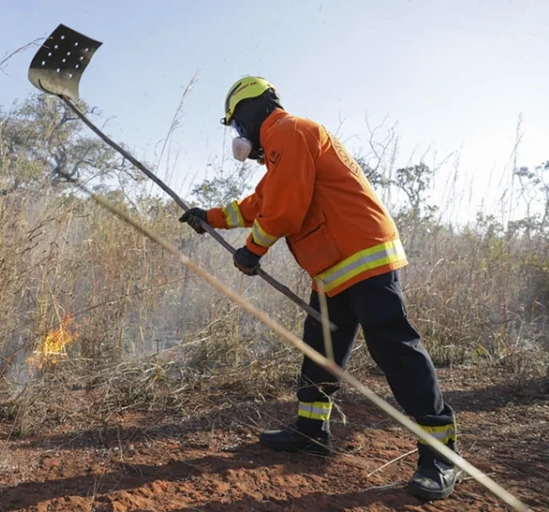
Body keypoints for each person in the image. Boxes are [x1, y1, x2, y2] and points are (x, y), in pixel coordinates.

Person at [179, 76, 461, 501]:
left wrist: (253, 250)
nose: (240, 137)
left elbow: (284, 209)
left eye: (238, 126)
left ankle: (441, 454)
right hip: (333, 267)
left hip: (361, 256)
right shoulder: (280, 147)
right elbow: (260, 203)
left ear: (252, 112)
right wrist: (211, 217)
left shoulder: (288, 132)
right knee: (322, 349)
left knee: (394, 348)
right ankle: (311, 431)